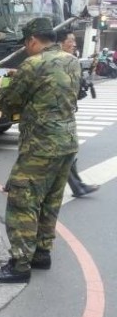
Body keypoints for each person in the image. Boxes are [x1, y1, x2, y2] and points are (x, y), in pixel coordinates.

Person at [0, 18, 80, 283]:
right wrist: (23, 77)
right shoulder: (70, 60)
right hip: (67, 143)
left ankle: (19, 264)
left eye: (27, 44)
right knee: (50, 202)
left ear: (32, 41)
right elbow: (51, 85)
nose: (27, 49)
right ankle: (41, 254)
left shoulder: (32, 63)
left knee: (22, 201)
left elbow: (7, 103)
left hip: (40, 146)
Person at [56, 29, 100, 198]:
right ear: (61, 43)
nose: (74, 44)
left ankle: (78, 186)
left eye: (75, 41)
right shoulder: (60, 62)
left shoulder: (68, 61)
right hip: (55, 117)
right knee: (67, 152)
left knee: (31, 152)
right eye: (70, 41)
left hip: (59, 115)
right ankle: (78, 187)